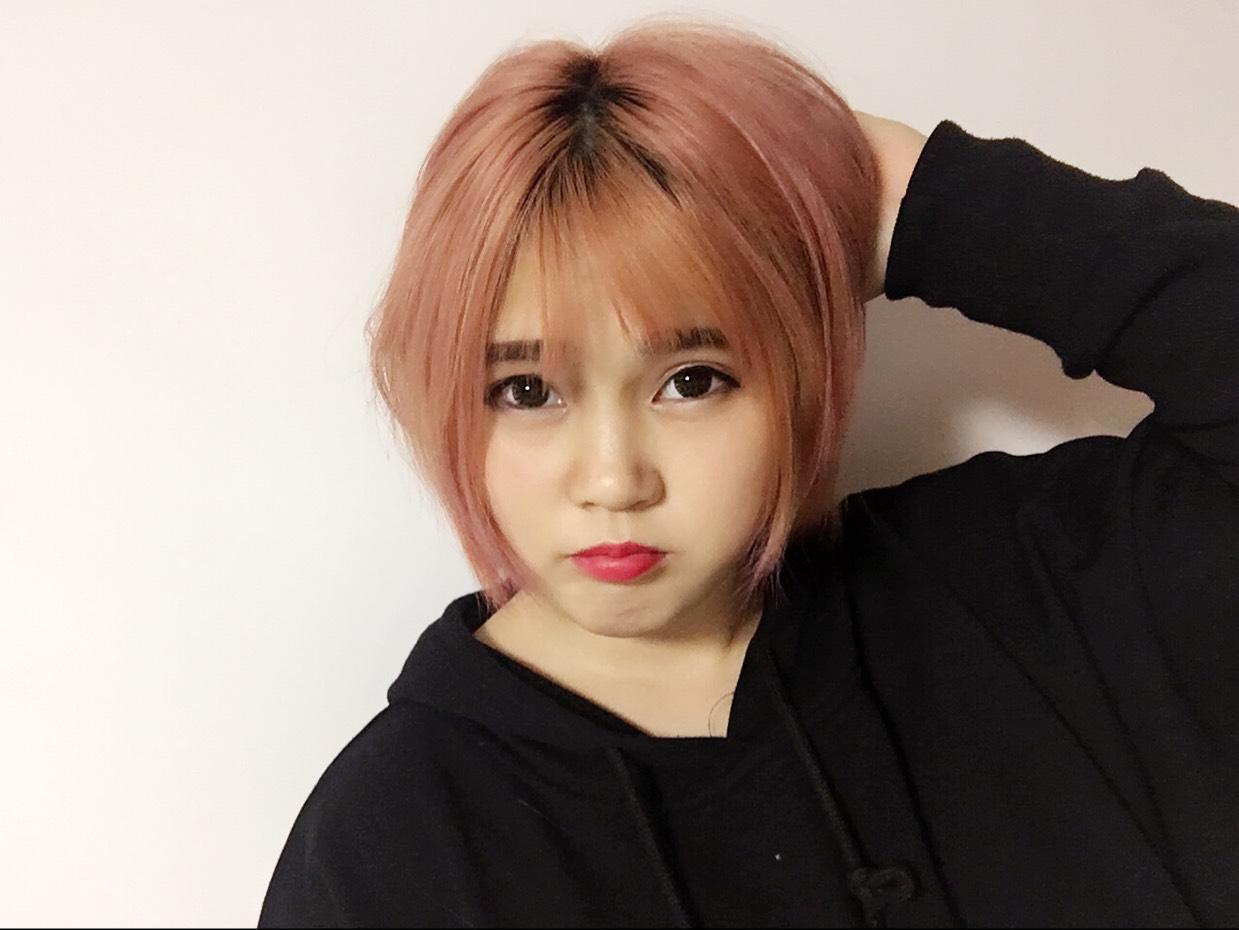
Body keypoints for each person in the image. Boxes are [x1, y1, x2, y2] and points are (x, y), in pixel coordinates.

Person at [258, 18, 1239, 929]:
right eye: (526, 391)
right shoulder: (388, 852)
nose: (614, 480)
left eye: (691, 381)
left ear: (800, 380)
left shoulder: (1031, 588)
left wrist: (923, 200)